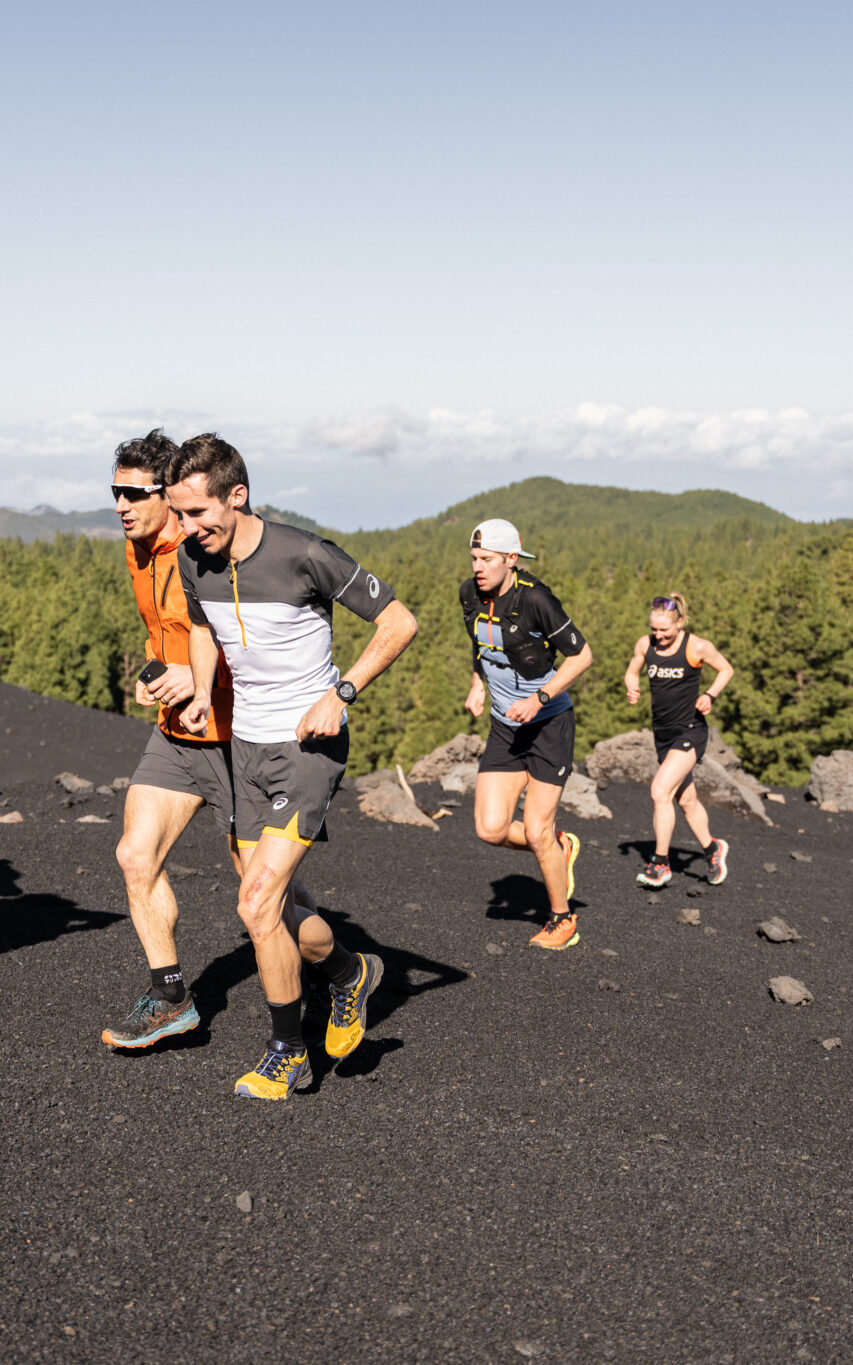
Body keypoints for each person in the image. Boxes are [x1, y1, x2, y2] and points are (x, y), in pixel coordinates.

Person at [167, 434, 419, 1100]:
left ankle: (289, 1053)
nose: (188, 530)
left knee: (254, 903)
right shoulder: (193, 560)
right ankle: (349, 972)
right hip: (244, 749)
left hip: (308, 748)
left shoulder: (306, 554)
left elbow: (399, 622)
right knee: (276, 907)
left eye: (198, 514)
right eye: (179, 515)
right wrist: (199, 691)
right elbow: (200, 627)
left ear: (238, 495)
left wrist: (342, 693)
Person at [102, 430, 330, 1048]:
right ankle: (171, 996)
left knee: (265, 899)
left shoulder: (202, 550)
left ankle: (341, 970)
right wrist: (160, 671)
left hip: (237, 739)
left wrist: (195, 677)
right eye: (114, 491)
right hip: (177, 734)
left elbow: (253, 649)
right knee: (134, 854)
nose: (121, 505)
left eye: (133, 493)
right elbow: (165, 631)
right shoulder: (139, 550)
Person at [460, 518, 593, 949]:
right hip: (505, 728)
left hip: (548, 725)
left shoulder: (536, 599)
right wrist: (478, 684)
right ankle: (559, 847)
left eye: (488, 560)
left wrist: (540, 697)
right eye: (475, 558)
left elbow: (582, 655)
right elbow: (481, 645)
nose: (478, 567)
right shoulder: (470, 594)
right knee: (490, 828)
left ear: (511, 559)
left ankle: (562, 918)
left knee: (535, 829)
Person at [624, 593, 734, 891]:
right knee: (686, 800)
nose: (658, 636)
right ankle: (713, 849)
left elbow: (726, 669)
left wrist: (709, 695)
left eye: (665, 631)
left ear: (680, 622)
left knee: (660, 791)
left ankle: (660, 863)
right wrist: (632, 688)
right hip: (663, 734)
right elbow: (632, 671)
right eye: (654, 629)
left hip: (691, 730)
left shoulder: (696, 646)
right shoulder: (645, 644)